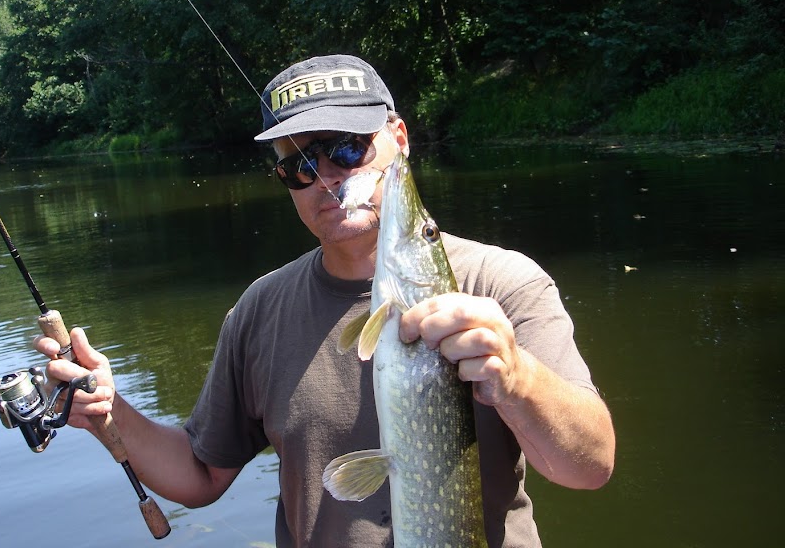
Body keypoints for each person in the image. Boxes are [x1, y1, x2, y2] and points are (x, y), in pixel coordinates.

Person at [35, 54, 615, 547]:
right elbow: (200, 473)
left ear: (399, 139)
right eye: (299, 167)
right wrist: (109, 412)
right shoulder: (260, 310)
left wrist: (516, 377)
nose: (328, 178)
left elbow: (590, 467)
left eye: (347, 148)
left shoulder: (502, 284)